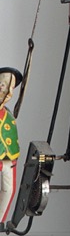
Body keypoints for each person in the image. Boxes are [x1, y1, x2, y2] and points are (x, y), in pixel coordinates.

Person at [0, 68, 22, 225]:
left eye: (8, 87)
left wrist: (12, 157)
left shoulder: (8, 115)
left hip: (8, 160)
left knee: (8, 190)